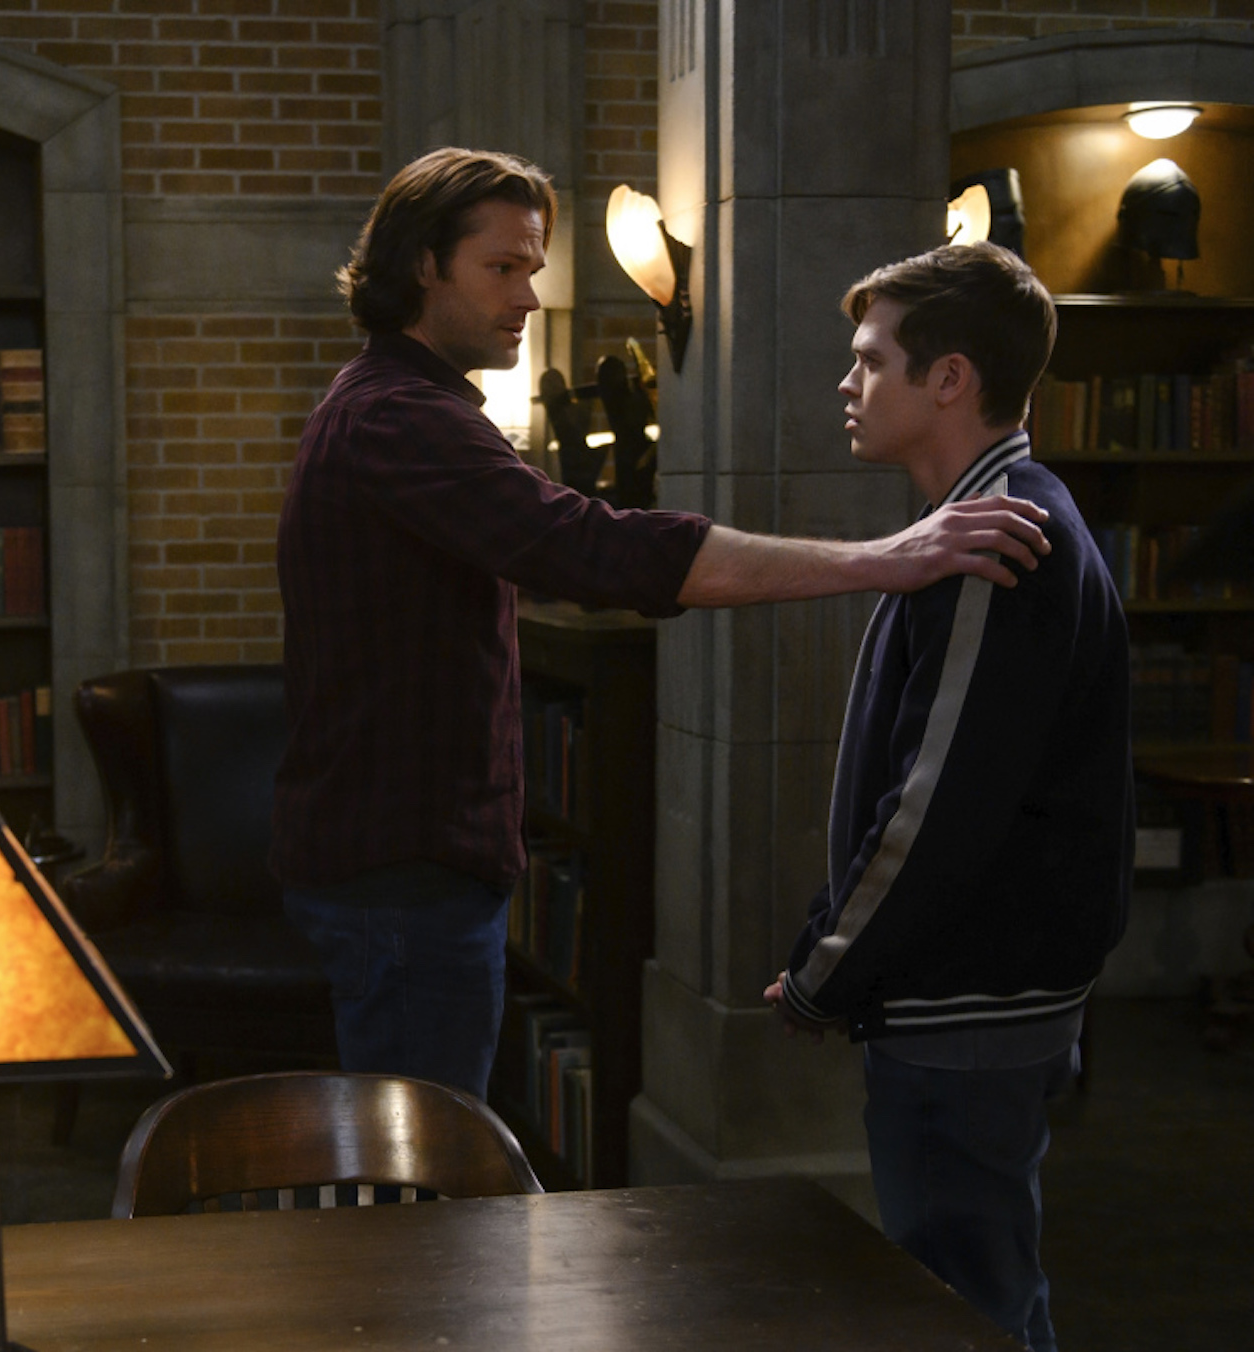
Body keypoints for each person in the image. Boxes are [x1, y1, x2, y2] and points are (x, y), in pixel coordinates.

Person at [272, 147, 1055, 1104]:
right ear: (422, 265)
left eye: (532, 267)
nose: (528, 296)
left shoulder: (400, 406)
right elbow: (600, 549)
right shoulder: (398, 417)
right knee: (417, 1166)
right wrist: (884, 558)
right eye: (502, 267)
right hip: (401, 877)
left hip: (405, 869)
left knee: (423, 1153)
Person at [764, 241, 1130, 1352]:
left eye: (872, 360)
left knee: (961, 1308)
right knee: (993, 1291)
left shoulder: (996, 534)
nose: (847, 382)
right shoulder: (987, 514)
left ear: (951, 379)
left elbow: (934, 807)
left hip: (965, 999)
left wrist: (826, 970)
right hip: (977, 989)